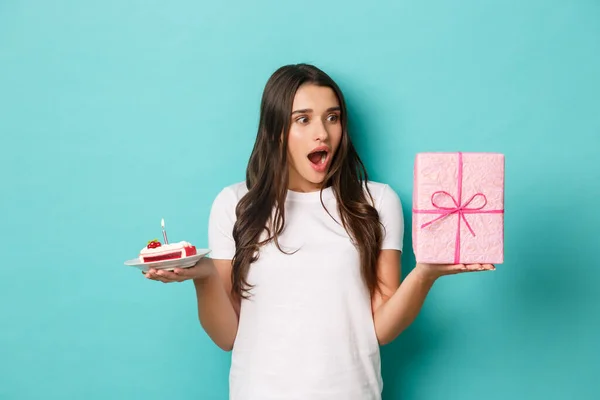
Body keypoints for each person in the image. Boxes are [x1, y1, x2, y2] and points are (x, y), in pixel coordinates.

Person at [143, 63, 495, 400]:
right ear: (277, 131)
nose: (322, 132)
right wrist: (203, 276)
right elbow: (225, 335)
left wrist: (424, 275)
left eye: (332, 117)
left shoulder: (377, 202)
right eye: (303, 119)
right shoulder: (235, 204)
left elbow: (383, 328)